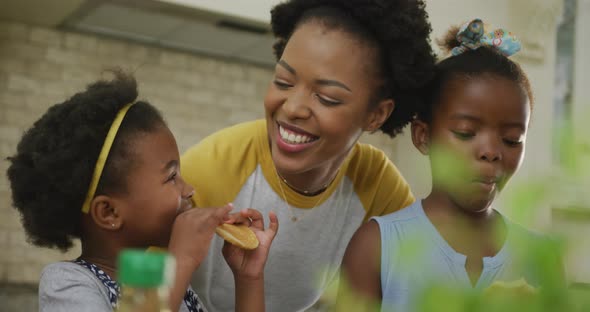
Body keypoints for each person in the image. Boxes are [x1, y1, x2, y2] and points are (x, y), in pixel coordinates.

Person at [180, 0, 436, 310]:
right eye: (283, 82)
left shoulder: (378, 187)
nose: (293, 108)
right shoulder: (212, 167)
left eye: (327, 98)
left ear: (376, 115)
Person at [337, 19, 564, 312]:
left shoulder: (541, 258)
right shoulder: (376, 247)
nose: (491, 152)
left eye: (511, 139)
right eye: (466, 133)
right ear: (423, 136)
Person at [6, 71, 278, 312]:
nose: (189, 189)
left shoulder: (167, 286)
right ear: (109, 212)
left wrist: (248, 278)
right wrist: (180, 261)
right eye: (172, 177)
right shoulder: (67, 283)